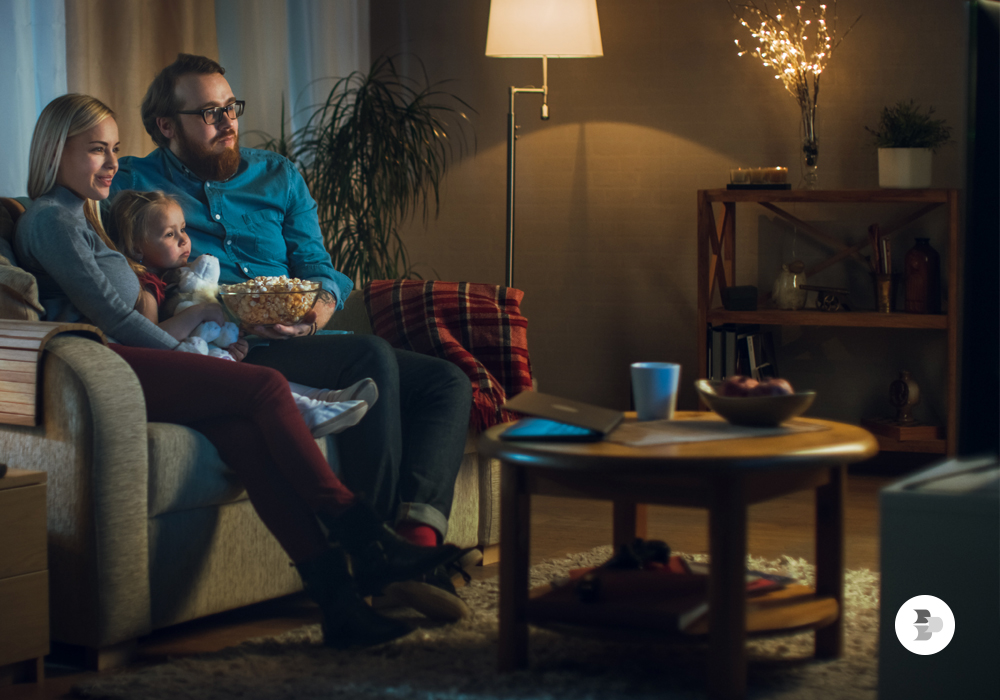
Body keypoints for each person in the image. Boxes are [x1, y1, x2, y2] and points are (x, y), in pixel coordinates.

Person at [15, 93, 466, 648]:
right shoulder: (49, 220)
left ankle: (339, 605)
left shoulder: (82, 215)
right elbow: (109, 316)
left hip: (133, 359)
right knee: (266, 388)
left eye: (113, 150)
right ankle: (360, 532)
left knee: (245, 436)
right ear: (55, 151)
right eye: (95, 151)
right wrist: (182, 355)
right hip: (109, 367)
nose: (111, 163)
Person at [111, 54, 474, 611]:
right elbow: (72, 207)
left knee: (446, 382)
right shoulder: (134, 182)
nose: (228, 122)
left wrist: (319, 310)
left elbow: (318, 264)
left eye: (231, 107)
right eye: (209, 113)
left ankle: (415, 543)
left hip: (301, 337)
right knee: (371, 357)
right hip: (232, 350)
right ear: (167, 125)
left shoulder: (277, 174)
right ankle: (373, 564)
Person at [107, 188, 376, 439]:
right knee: (254, 380)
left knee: (246, 369)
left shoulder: (175, 281)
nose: (184, 240)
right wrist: (199, 313)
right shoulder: (146, 291)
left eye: (183, 229)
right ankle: (308, 411)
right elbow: (150, 343)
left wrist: (230, 341)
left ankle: (325, 399)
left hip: (201, 358)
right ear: (137, 248)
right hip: (180, 376)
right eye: (169, 234)